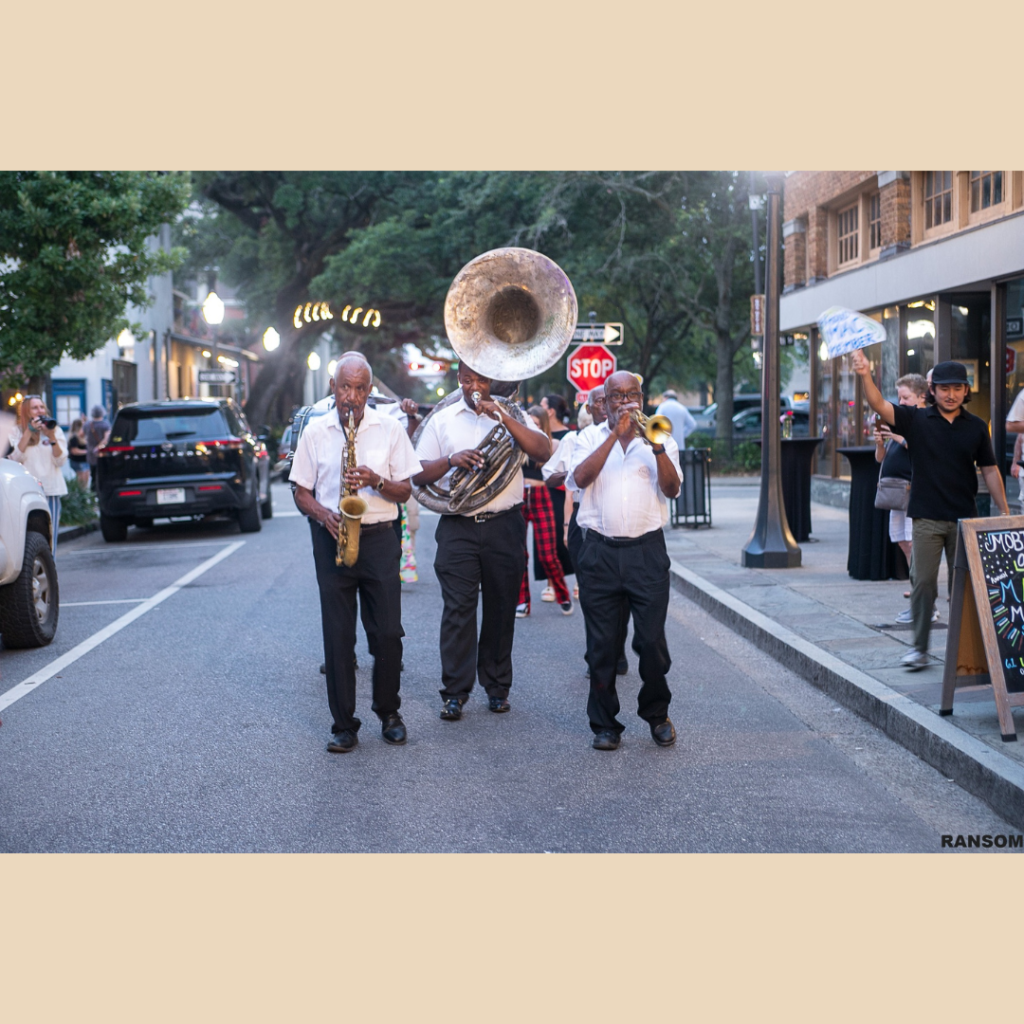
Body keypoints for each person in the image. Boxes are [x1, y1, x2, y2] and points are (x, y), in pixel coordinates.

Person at [290, 355, 423, 753]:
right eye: (345, 387)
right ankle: (344, 724)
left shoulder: (390, 428)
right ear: (333, 387)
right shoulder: (315, 431)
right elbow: (300, 492)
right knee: (338, 636)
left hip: (381, 537)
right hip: (331, 535)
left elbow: (406, 491)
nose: (352, 397)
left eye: (360, 388)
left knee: (387, 633)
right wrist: (322, 514)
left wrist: (376, 480)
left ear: (369, 390)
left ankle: (389, 711)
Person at [413, 363, 552, 720]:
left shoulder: (512, 413)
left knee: (502, 608)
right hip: (458, 526)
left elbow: (543, 451)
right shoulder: (442, 420)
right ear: (459, 379)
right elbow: (415, 472)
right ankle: (455, 693)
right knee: (458, 611)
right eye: (468, 379)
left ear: (493, 380)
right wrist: (450, 461)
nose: (475, 386)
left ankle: (496, 687)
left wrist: (504, 417)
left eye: (482, 379)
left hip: (504, 525)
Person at [853, 353, 1009, 670]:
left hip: (965, 519)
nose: (950, 394)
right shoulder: (916, 420)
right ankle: (920, 648)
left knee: (963, 589)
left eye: (957, 388)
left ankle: (970, 653)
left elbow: (990, 470)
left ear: (966, 391)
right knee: (923, 583)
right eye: (944, 388)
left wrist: (1004, 512)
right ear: (932, 390)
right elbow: (880, 406)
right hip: (926, 518)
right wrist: (865, 374)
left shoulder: (977, 428)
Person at [570, 371, 682, 750]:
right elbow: (580, 478)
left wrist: (656, 447)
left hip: (646, 553)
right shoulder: (587, 437)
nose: (624, 402)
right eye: (616, 396)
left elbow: (672, 488)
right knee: (602, 647)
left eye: (630, 395)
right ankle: (604, 724)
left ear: (641, 398)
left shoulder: (660, 435)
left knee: (651, 644)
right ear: (604, 400)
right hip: (599, 553)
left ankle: (657, 713)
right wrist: (615, 437)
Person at [872, 373, 929, 624]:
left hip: (912, 491)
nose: (901, 402)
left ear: (921, 397)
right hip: (895, 491)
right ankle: (916, 589)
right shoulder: (903, 421)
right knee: (904, 542)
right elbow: (880, 460)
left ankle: (925, 602)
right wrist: (881, 444)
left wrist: (897, 436)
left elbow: (920, 447)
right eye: (899, 397)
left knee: (913, 543)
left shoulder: (924, 420)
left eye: (906, 397)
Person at [517, 406, 572, 618]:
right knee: (519, 554)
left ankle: (563, 595)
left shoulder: (553, 443)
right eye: (529, 424)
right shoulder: (519, 441)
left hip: (541, 496)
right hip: (519, 496)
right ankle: (522, 601)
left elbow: (558, 472)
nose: (533, 428)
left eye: (537, 424)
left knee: (548, 554)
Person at [9, 396, 68, 555]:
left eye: (41, 407)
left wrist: (52, 437)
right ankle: (31, 572)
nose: (40, 411)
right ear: (26, 411)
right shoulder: (16, 432)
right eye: (35, 408)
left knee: (50, 535)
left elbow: (61, 460)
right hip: (26, 491)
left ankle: (49, 571)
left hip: (50, 489)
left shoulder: (55, 430)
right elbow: (14, 459)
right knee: (27, 534)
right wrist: (29, 432)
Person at [537, 393, 574, 602]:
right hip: (545, 490)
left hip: (563, 492)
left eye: (542, 405)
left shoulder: (570, 436)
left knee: (564, 535)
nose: (539, 408)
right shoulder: (538, 435)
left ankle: (574, 580)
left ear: (550, 411)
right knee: (546, 539)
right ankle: (550, 583)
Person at [84, 405, 110, 492]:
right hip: (102, 454)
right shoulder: (105, 425)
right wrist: (98, 446)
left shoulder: (87, 424)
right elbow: (106, 439)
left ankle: (93, 495)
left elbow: (81, 435)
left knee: (93, 476)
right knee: (103, 476)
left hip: (91, 454)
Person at [67, 418, 90, 487]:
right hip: (78, 461)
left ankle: (84, 495)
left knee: (86, 479)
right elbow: (74, 451)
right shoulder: (74, 438)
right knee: (81, 481)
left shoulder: (82, 437)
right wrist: (87, 452)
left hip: (84, 461)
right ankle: (81, 495)